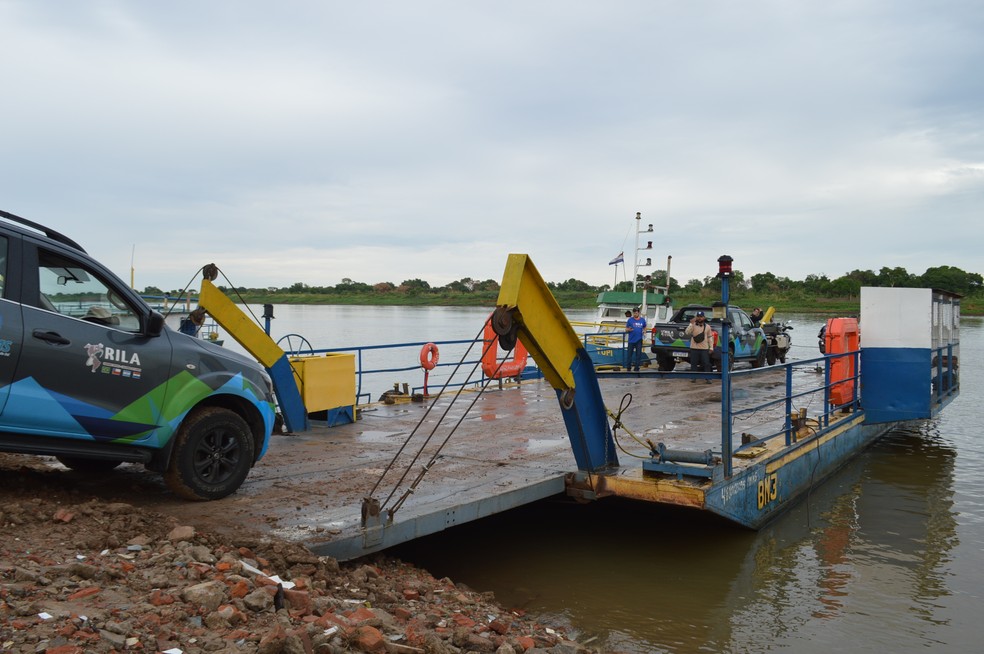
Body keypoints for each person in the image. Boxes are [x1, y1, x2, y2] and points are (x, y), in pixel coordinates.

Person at [685, 310, 713, 382]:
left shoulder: (708, 327)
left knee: (706, 363)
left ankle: (708, 378)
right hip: (694, 348)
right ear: (696, 317)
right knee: (693, 363)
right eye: (698, 317)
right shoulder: (693, 325)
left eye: (701, 317)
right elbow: (687, 332)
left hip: (704, 348)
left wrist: (711, 347)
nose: (699, 318)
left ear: (704, 317)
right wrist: (691, 324)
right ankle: (693, 377)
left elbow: (710, 337)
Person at [625, 307, 647, 372]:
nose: (635, 314)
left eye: (636, 313)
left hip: (639, 340)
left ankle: (637, 368)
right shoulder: (630, 320)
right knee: (629, 354)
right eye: (634, 313)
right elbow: (626, 329)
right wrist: (629, 329)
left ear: (639, 313)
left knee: (638, 354)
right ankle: (628, 367)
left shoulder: (642, 320)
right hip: (631, 340)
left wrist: (644, 331)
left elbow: (645, 326)